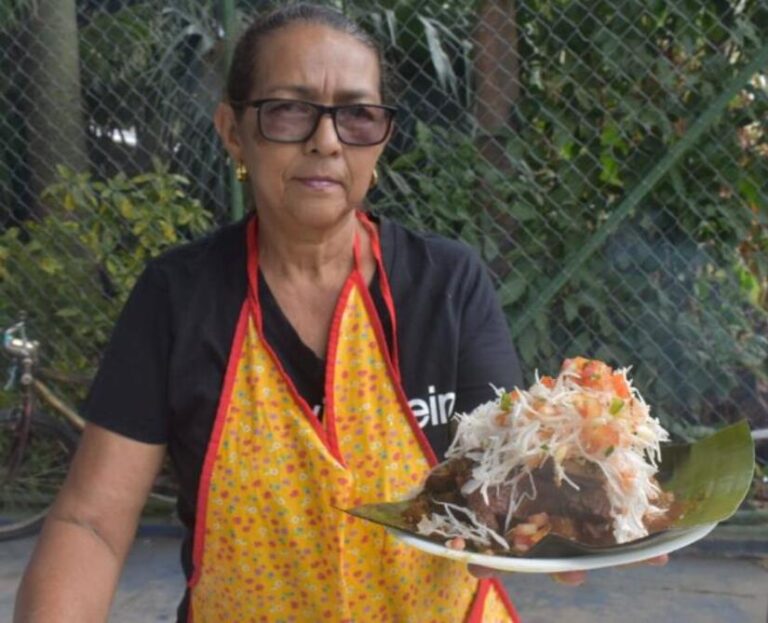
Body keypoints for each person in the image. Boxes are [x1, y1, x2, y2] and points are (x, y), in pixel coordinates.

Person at [14, 4, 662, 622]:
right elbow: (91, 522)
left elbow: (499, 479)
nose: (326, 141)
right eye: (289, 110)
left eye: (356, 115)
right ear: (233, 131)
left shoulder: (447, 283)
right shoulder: (178, 299)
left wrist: (574, 515)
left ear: (380, 140)